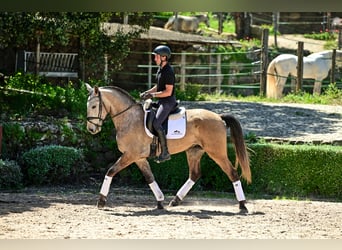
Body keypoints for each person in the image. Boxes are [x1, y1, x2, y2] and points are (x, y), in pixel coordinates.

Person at [140, 45, 177, 163]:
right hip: (161, 100)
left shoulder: (169, 72)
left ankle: (165, 152)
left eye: (156, 56)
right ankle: (152, 147)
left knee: (156, 123)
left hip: (168, 102)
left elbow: (168, 91)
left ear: (164, 57)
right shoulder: (160, 69)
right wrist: (147, 92)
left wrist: (153, 96)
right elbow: (158, 87)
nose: (154, 59)